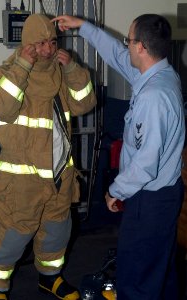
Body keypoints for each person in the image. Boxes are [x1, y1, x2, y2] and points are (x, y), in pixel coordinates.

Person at [52, 14, 186, 299]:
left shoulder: (154, 96)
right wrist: (83, 27)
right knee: (160, 270)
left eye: (129, 40)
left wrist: (116, 190)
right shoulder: (159, 72)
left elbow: (146, 164)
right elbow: (115, 54)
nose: (126, 45)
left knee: (136, 273)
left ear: (141, 47)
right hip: (162, 194)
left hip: (150, 199)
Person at [0, 14, 96, 300]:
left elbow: (84, 103)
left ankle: (50, 279)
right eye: (41, 43)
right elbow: (0, 107)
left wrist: (71, 68)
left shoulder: (59, 72)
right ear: (28, 44)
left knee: (58, 232)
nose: (47, 49)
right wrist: (22, 65)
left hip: (59, 177)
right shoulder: (9, 71)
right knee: (13, 237)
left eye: (52, 42)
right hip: (22, 180)